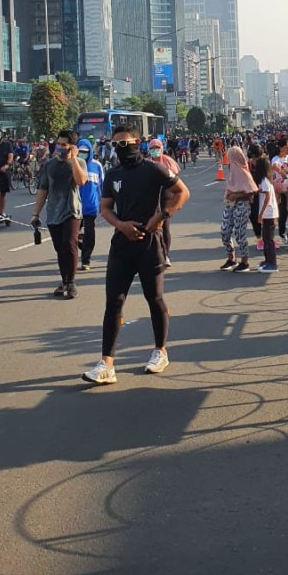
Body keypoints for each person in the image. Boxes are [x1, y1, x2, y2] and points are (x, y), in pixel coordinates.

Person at [82, 124, 190, 385]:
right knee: (113, 303)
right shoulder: (113, 174)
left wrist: (160, 217)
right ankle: (107, 363)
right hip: (122, 244)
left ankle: (160, 351)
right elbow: (105, 208)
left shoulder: (153, 169)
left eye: (125, 144)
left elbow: (182, 192)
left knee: (155, 298)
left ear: (137, 142)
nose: (121, 149)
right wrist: (121, 225)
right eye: (116, 145)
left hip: (149, 243)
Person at [31, 129, 88, 299]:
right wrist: (35, 214)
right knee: (60, 249)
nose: (61, 147)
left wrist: (73, 160)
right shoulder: (49, 165)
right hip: (53, 213)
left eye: (65, 145)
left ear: (72, 147)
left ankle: (71, 283)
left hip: (72, 211)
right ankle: (64, 280)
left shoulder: (79, 163)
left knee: (69, 245)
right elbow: (43, 190)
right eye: (59, 144)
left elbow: (81, 181)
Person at [220, 145, 257, 273]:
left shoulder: (244, 171)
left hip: (242, 204)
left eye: (230, 156)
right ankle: (231, 258)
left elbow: (251, 191)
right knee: (224, 230)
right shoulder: (232, 170)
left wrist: (237, 195)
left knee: (240, 234)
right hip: (230, 204)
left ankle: (245, 261)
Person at [149, 138, 181, 265]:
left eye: (157, 148)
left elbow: (177, 184)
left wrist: (177, 202)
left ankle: (165, 255)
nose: (155, 151)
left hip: (167, 198)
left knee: (165, 226)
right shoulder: (147, 163)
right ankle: (156, 254)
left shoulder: (168, 162)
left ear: (161, 148)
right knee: (154, 228)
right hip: (151, 199)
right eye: (152, 148)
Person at [77, 138, 103, 271]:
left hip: (90, 206)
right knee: (72, 235)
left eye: (85, 152)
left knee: (89, 233)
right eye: (80, 151)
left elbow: (102, 186)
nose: (83, 154)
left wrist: (104, 204)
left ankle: (86, 260)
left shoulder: (97, 165)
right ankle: (81, 245)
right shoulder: (73, 165)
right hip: (74, 207)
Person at [254, 154, 279, 272]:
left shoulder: (264, 181)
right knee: (266, 239)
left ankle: (272, 263)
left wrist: (261, 214)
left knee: (268, 240)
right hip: (268, 213)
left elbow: (267, 198)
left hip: (269, 213)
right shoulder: (265, 181)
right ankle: (267, 260)